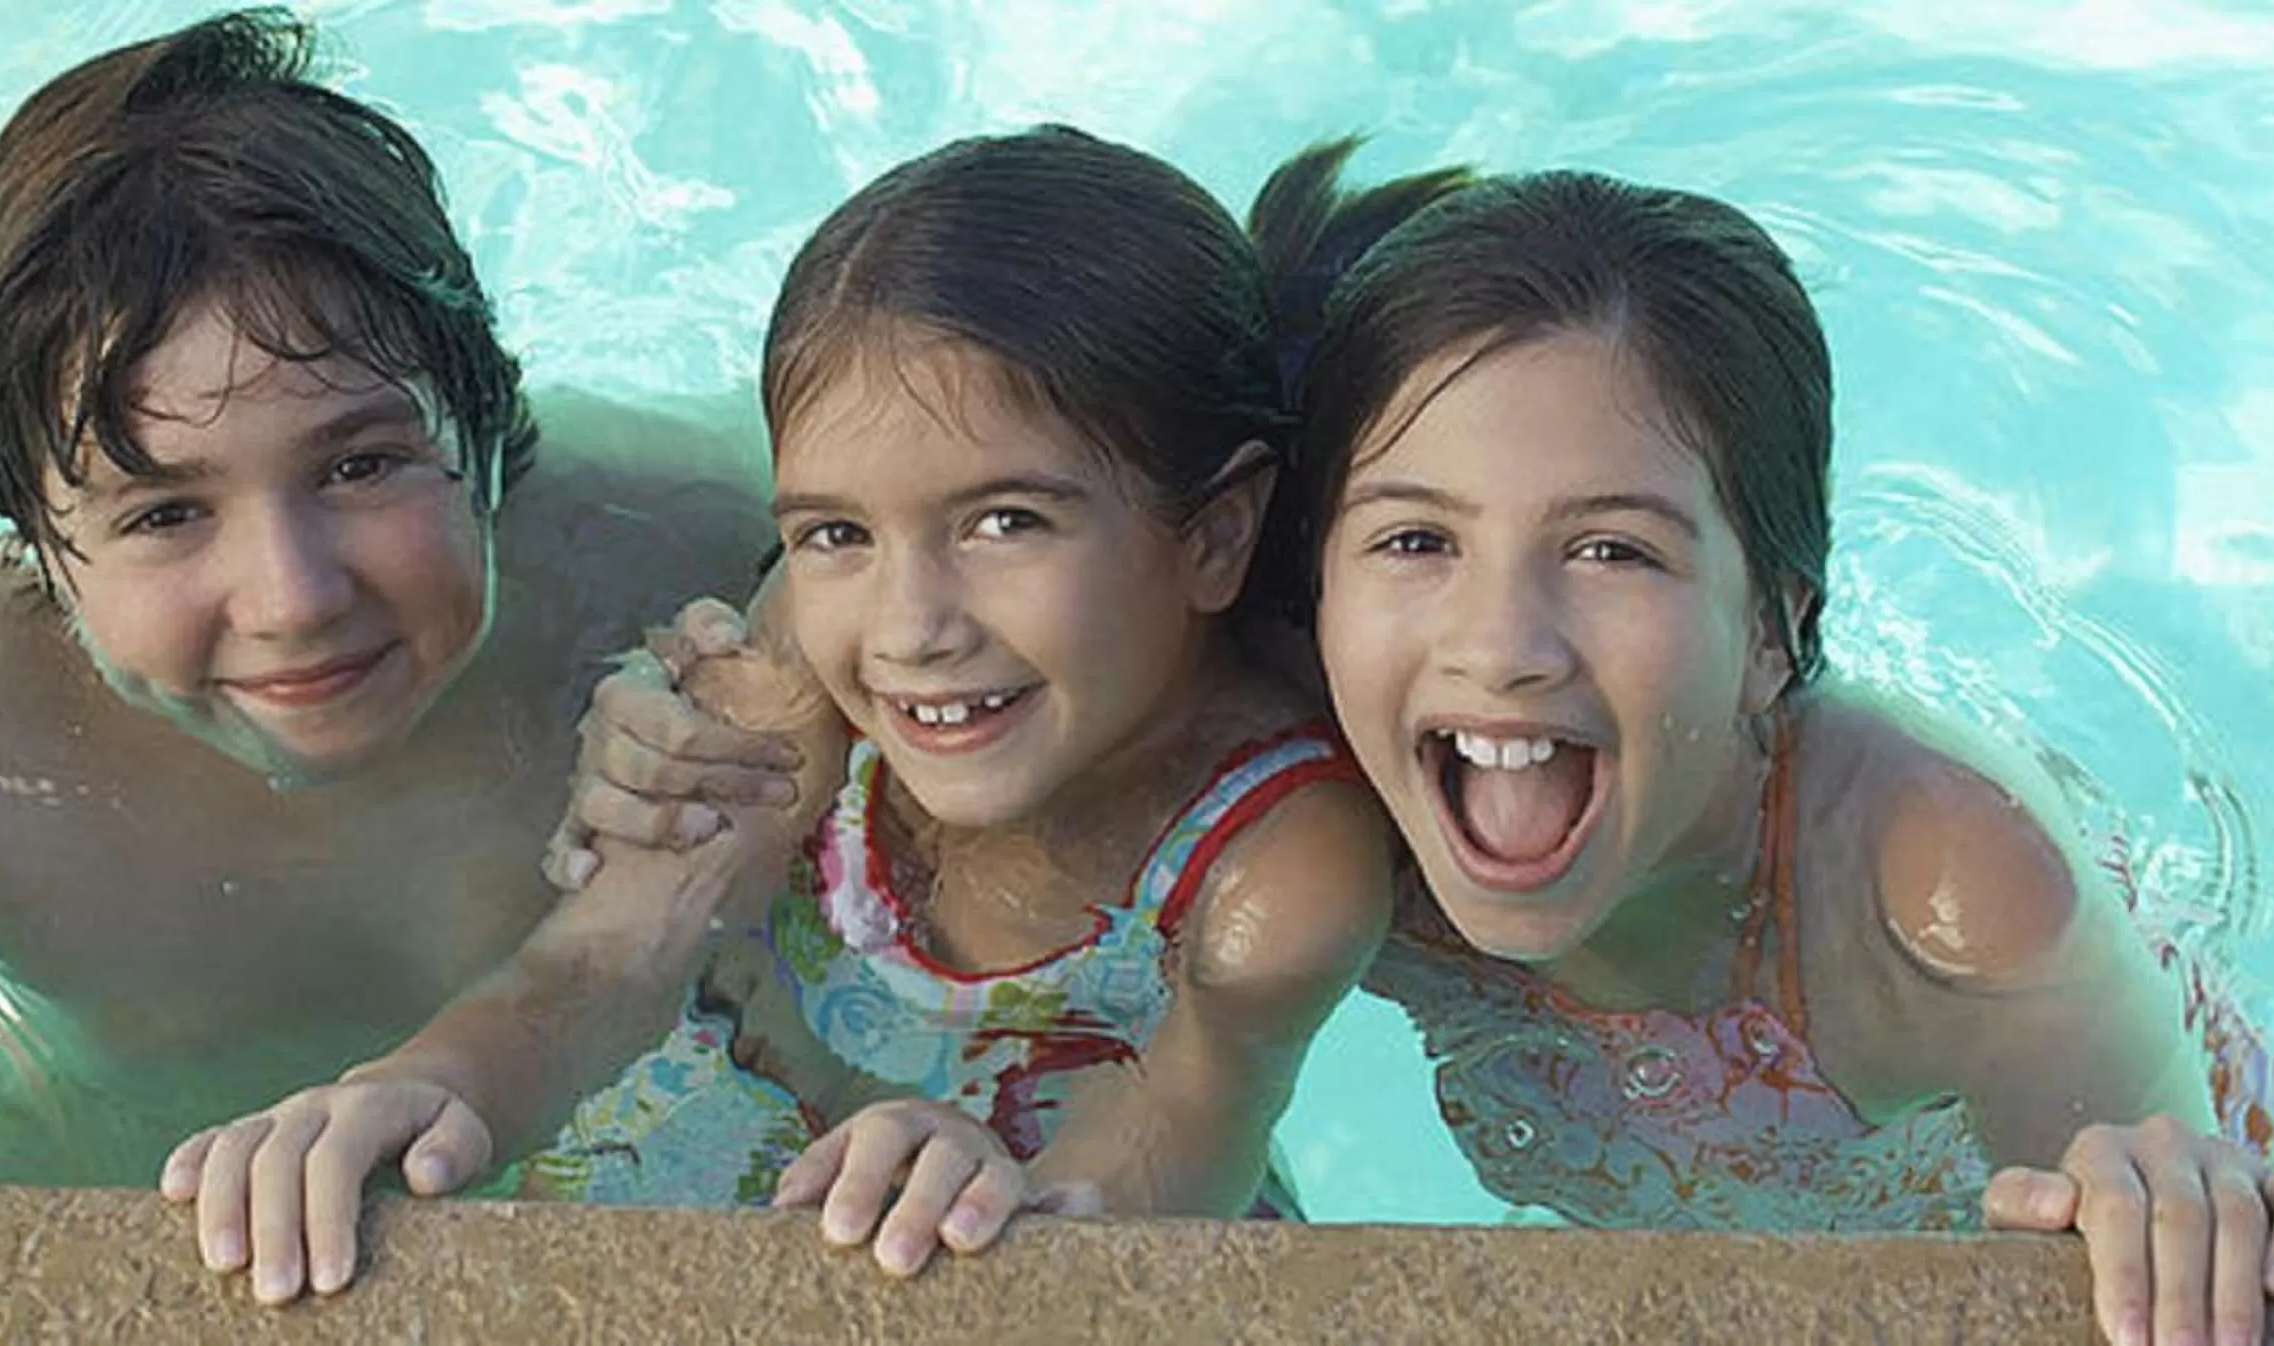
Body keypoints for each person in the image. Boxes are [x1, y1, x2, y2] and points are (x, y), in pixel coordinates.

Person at [0, 6, 770, 1291]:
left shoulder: (678, 539)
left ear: (486, 415)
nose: (292, 597)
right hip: (101, 1182)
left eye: (360, 463)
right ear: (33, 544)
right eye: (164, 511)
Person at [165, 125, 1411, 1300]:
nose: (910, 624)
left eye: (1005, 522)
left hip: (1030, 1227)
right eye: (836, 533)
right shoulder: (803, 668)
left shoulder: (1282, 855)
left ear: (1218, 533)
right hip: (711, 1135)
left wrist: (1004, 1188)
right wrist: (420, 1082)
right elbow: (605, 955)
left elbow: (1175, 1148)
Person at [1273, 148, 2274, 1346]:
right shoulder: (1325, 803)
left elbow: (2154, 1248)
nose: (1501, 645)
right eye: (1415, 540)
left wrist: (2168, 1196)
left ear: (1779, 627)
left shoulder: (1941, 903)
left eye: (1614, 549)